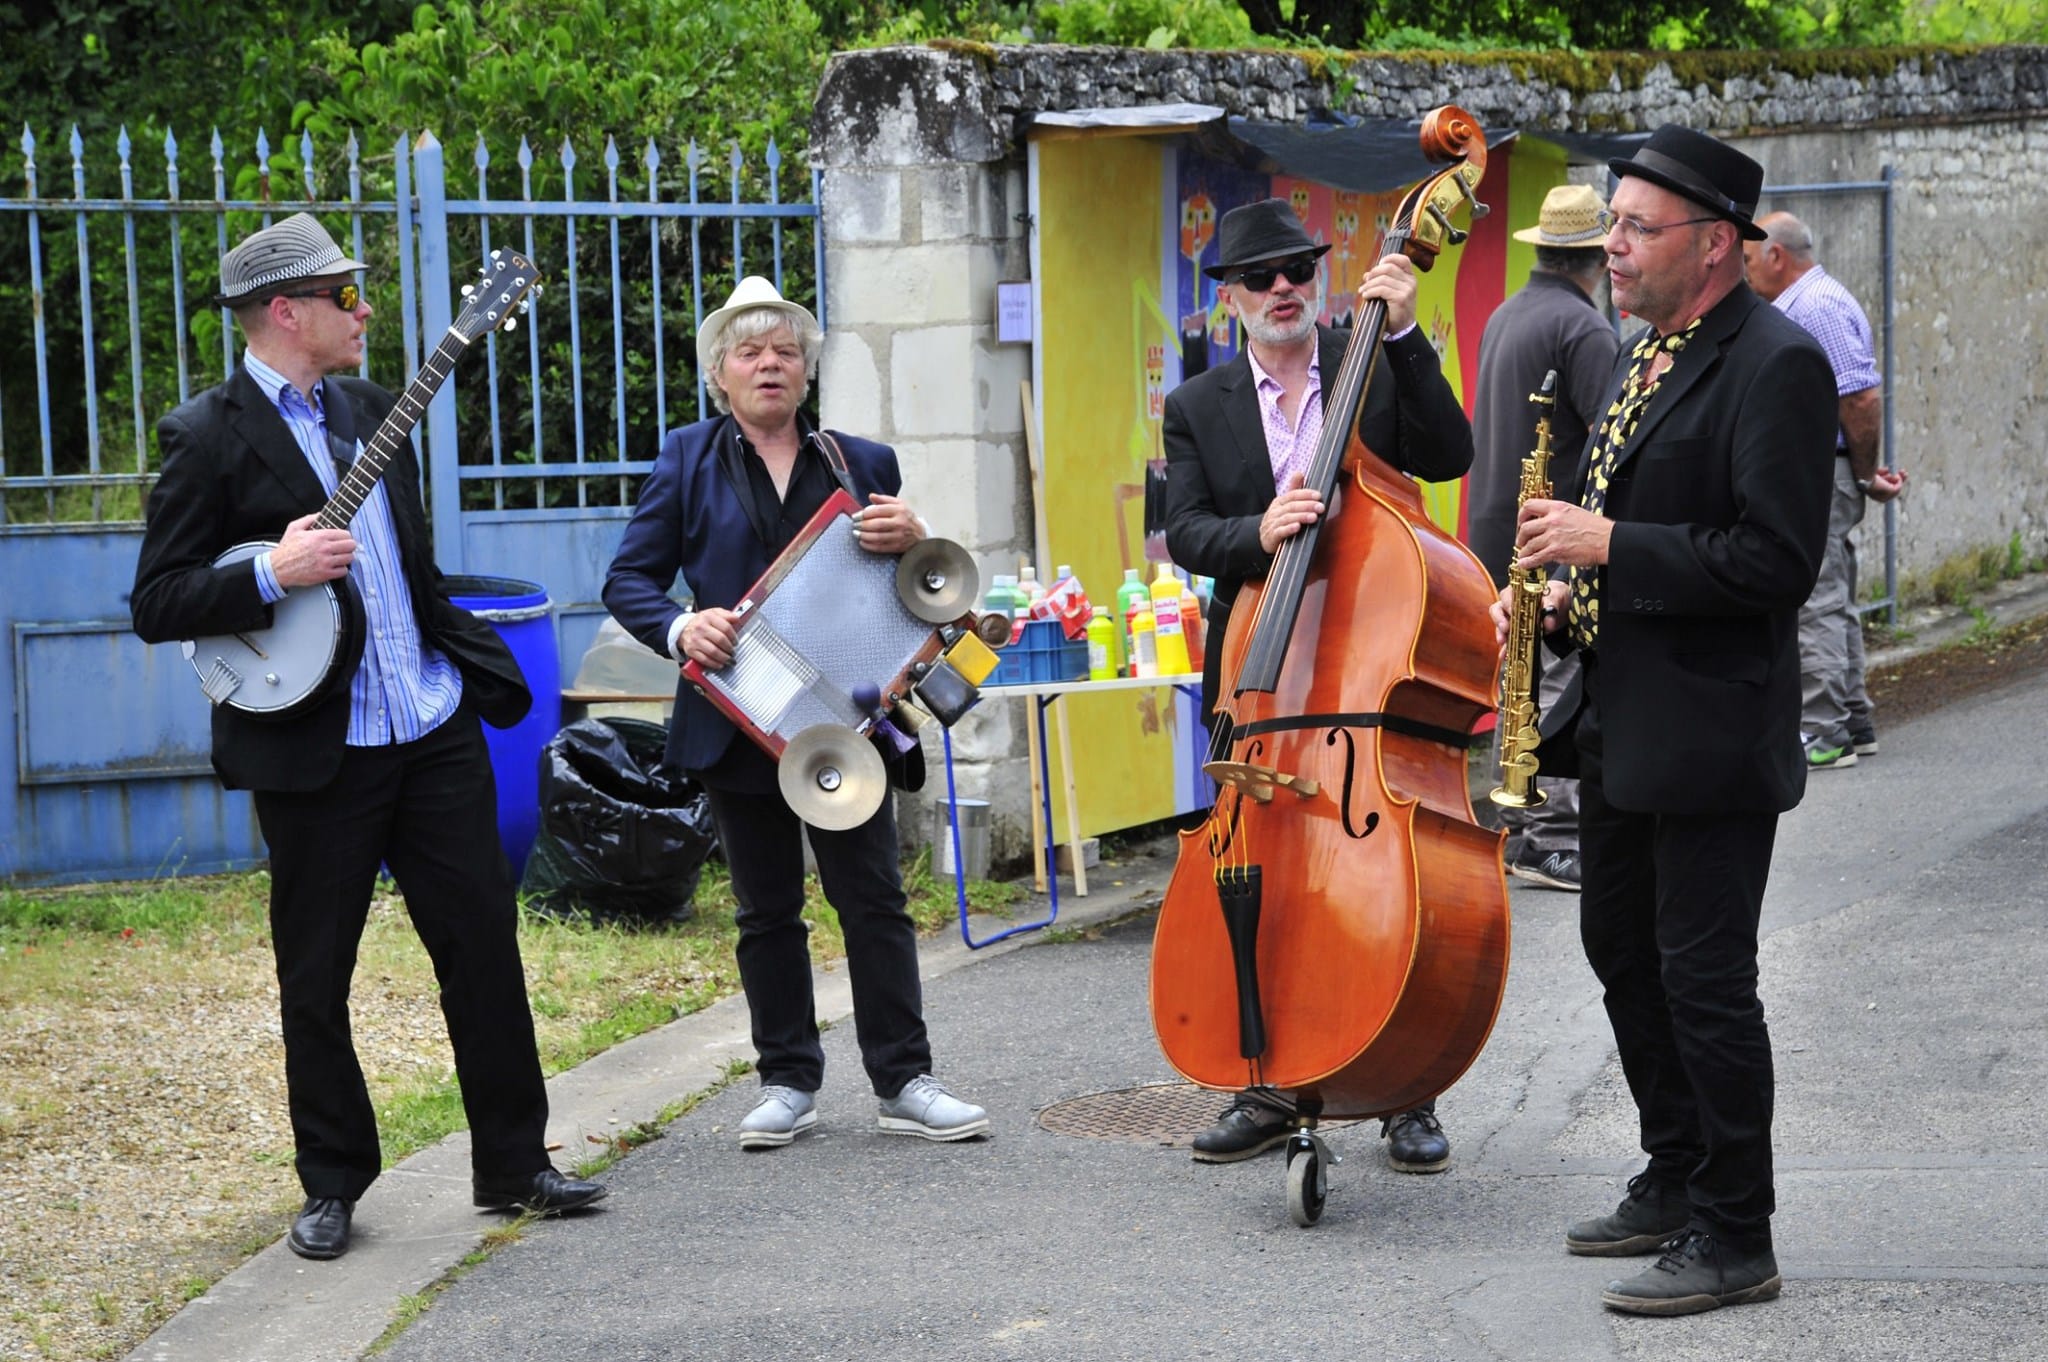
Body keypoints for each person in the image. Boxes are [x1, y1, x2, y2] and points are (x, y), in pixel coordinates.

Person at [130, 213, 607, 1263]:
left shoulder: (371, 410)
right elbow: (159, 600)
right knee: (317, 972)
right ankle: (333, 1183)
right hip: (319, 745)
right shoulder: (206, 437)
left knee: (482, 944)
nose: (365, 312)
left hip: (426, 721)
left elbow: (408, 570)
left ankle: (513, 1163)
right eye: (347, 296)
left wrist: (455, 659)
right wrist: (269, 573)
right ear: (286, 311)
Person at [1494, 126, 1836, 1315]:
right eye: (1617, 224)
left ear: (1714, 244)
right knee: (1618, 954)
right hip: (1622, 718)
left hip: (1708, 735)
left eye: (1637, 225)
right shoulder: (1646, 351)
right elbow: (1624, 532)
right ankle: (1677, 1169)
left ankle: (1737, 1233)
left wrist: (1608, 547)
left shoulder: (1773, 362)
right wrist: (1561, 589)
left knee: (1703, 981)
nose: (1614, 245)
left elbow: (1773, 561)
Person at [603, 276, 988, 1150]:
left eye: (785, 351)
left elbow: (911, 595)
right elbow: (628, 579)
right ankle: (787, 1082)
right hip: (742, 721)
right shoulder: (686, 458)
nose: (769, 364)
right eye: (750, 351)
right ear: (720, 374)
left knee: (875, 901)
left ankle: (905, 1080)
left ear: (806, 373)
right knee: (765, 910)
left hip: (849, 721)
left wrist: (915, 536)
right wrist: (678, 626)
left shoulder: (863, 462)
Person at [1162, 198, 1475, 1172]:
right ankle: (1266, 1080)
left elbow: (1447, 455)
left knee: (1396, 881)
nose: (1284, 288)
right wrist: (1253, 536)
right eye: (1260, 277)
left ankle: (1404, 1087)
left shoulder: (1368, 360)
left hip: (1366, 662)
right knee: (1266, 876)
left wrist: (1411, 333)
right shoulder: (1197, 405)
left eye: (1297, 268)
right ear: (1231, 298)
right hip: (1261, 680)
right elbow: (1186, 531)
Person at [1468, 183, 1621, 893]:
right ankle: (1552, 836)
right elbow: (1610, 445)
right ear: (1597, 254)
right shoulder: (1584, 328)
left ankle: (1517, 822)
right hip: (1552, 529)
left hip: (1497, 525)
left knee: (1519, 679)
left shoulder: (1509, 313)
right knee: (1553, 679)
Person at [1743, 211, 1906, 771]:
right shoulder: (1817, 300)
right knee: (1834, 594)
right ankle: (1853, 721)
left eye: (1747, 260)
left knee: (1816, 598)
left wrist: (1861, 475)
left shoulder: (1812, 307)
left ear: (1776, 257)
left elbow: (1860, 398)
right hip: (1833, 468)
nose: (1744, 274)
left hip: (1826, 468)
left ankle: (1824, 731)